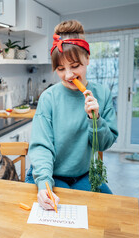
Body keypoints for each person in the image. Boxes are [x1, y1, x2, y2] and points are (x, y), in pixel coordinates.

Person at [25, 20, 118, 210]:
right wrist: (44, 185)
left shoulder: (102, 95)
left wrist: (95, 119)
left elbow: (103, 144)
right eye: (60, 69)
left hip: (83, 176)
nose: (68, 75)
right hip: (50, 175)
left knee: (111, 213)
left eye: (75, 66)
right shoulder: (48, 98)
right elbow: (42, 146)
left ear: (87, 60)